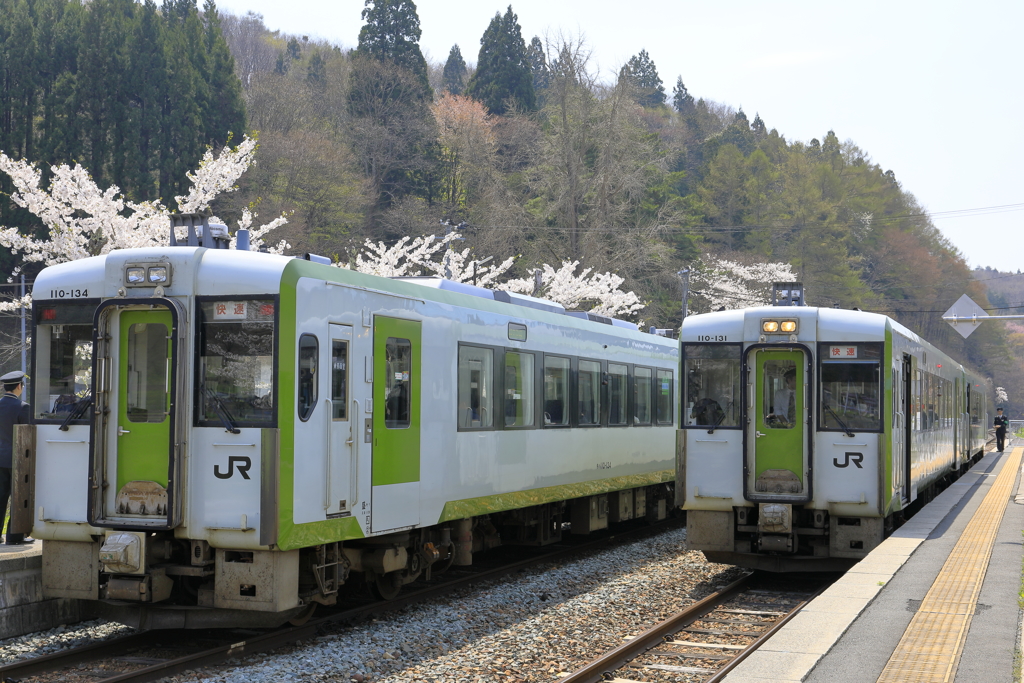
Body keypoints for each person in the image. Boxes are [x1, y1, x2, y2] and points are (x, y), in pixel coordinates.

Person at [0, 371, 33, 545]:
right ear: (19, 386)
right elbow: (27, 436)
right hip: (16, 460)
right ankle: (14, 537)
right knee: (18, 498)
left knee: (0, 497)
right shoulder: (23, 407)